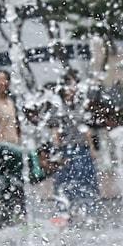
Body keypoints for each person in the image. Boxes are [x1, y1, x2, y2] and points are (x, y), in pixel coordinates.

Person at [40, 75, 101, 226]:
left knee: (86, 181)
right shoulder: (57, 107)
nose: (74, 89)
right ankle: (64, 212)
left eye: (75, 86)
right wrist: (56, 151)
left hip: (82, 148)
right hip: (66, 149)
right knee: (64, 180)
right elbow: (54, 130)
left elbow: (87, 130)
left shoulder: (81, 104)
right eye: (71, 86)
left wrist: (92, 148)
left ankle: (88, 212)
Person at [0, 70, 27, 225]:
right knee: (4, 183)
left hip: (14, 146)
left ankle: (21, 217)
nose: (1, 83)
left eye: (4, 80)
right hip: (1, 148)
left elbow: (16, 123)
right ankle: (4, 219)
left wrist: (21, 140)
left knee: (18, 182)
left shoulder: (10, 101)